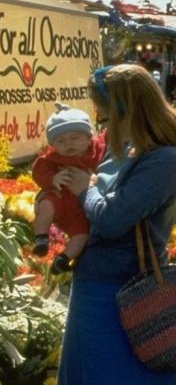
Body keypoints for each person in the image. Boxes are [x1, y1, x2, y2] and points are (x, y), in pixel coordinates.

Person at [49, 64, 176, 385]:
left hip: (129, 296)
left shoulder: (163, 159)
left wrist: (84, 190)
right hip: (93, 291)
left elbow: (112, 220)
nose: (101, 120)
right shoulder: (121, 147)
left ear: (129, 108)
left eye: (106, 110)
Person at [31, 103, 107, 274]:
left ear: (89, 138)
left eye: (75, 138)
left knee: (81, 235)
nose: (69, 144)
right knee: (46, 205)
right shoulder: (52, 158)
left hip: (82, 208)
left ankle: (63, 260)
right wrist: (53, 178)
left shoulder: (98, 151)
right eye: (61, 141)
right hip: (61, 198)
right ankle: (41, 238)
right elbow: (38, 171)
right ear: (53, 145)